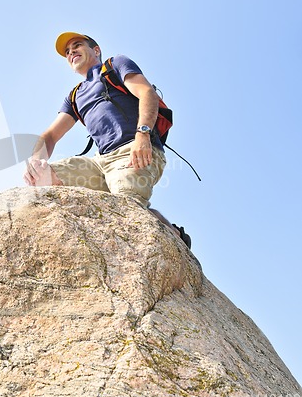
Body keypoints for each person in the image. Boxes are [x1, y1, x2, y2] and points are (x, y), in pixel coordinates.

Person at [23, 32, 191, 248]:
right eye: (67, 52)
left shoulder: (115, 65)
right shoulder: (74, 96)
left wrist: (143, 134)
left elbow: (146, 93)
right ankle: (169, 230)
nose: (71, 52)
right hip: (99, 162)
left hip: (134, 151)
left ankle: (174, 237)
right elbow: (51, 135)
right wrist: (35, 161)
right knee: (42, 179)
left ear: (96, 50)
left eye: (77, 45)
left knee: (126, 211)